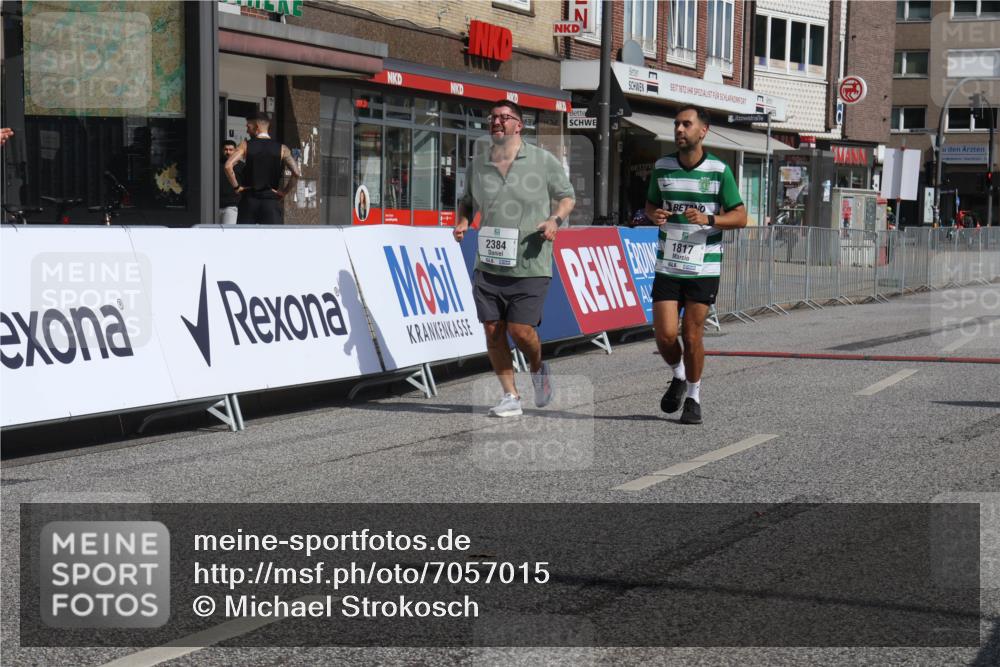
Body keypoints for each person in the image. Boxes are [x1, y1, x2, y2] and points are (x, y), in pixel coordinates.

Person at [453, 100, 575, 418]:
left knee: (521, 330)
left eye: (504, 117)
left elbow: (567, 196)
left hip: (530, 261)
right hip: (489, 263)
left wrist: (555, 220)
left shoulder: (542, 161)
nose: (496, 122)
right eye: (492, 117)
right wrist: (463, 221)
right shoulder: (480, 164)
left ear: (519, 125)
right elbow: (467, 201)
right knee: (493, 330)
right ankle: (510, 396)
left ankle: (537, 367)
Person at [645, 104, 747, 425]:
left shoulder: (718, 170)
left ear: (703, 131)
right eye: (676, 124)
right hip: (668, 264)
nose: (679, 129)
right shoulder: (662, 167)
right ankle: (678, 374)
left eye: (686, 124)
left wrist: (709, 219)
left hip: (704, 266)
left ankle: (693, 397)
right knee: (664, 336)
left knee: (691, 337)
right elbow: (650, 204)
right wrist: (654, 214)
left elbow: (741, 216)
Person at [224, 111, 300, 224]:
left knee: (244, 235)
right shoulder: (282, 148)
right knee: (271, 235)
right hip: (270, 202)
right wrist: (284, 192)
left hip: (249, 200)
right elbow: (296, 173)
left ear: (256, 127)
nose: (247, 130)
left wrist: (237, 187)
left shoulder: (245, 145)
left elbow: (228, 166)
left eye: (248, 127)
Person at [219, 140, 243, 225]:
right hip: (214, 205)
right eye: (225, 149)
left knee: (228, 231)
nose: (228, 152)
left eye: (230, 150)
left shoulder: (242, 166)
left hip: (232, 206)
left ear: (235, 151)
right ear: (222, 150)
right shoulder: (216, 165)